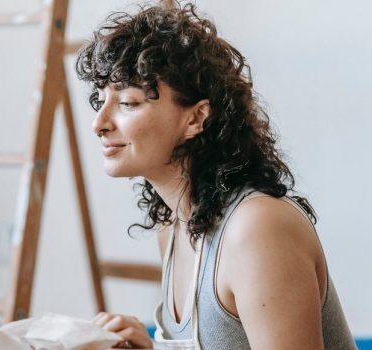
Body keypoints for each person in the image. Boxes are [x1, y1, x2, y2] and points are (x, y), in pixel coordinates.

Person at [77, 3, 354, 349]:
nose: (99, 123)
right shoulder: (174, 229)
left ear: (196, 118)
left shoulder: (256, 229)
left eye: (129, 103)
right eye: (100, 100)